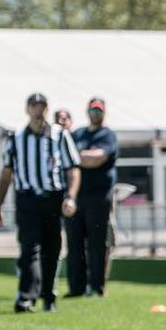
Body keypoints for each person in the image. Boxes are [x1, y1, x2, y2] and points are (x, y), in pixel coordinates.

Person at [0, 92, 80, 313]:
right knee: (29, 248)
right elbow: (6, 173)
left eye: (42, 106)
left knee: (52, 249)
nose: (38, 111)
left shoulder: (59, 136)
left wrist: (70, 197)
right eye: (34, 106)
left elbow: (73, 169)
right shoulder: (16, 138)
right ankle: (26, 298)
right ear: (27, 110)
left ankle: (48, 297)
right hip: (27, 199)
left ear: (47, 109)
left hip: (53, 199)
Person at [67, 97, 119, 297]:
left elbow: (97, 158)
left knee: (97, 245)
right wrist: (81, 157)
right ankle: (76, 288)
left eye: (99, 110)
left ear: (104, 112)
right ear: (87, 111)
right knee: (74, 244)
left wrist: (75, 157)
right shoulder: (79, 134)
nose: (95, 114)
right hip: (76, 197)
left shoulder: (107, 135)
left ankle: (96, 287)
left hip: (98, 198)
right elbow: (67, 157)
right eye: (93, 110)